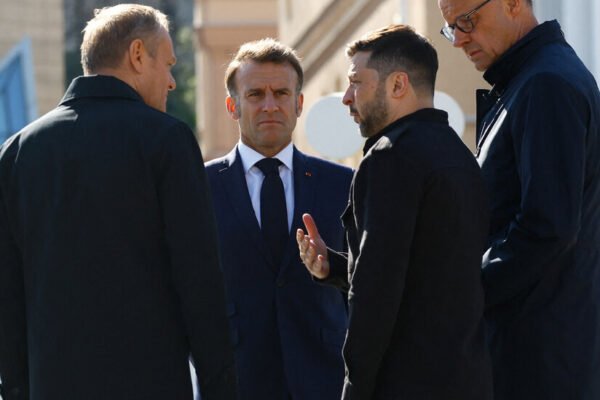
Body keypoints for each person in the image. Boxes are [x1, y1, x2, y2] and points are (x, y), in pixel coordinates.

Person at [0, 4, 236, 400]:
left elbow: (8, 298)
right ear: (138, 55)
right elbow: (199, 282)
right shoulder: (167, 141)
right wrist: (220, 388)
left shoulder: (16, 152)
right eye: (168, 64)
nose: (172, 82)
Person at [297, 24, 492, 399]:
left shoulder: (390, 157)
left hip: (405, 383)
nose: (346, 98)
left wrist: (354, 389)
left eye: (356, 82)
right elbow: (427, 276)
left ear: (398, 84)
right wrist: (334, 267)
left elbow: (377, 291)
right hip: (467, 379)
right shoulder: (459, 155)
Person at [438, 0, 600, 398]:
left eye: (467, 21)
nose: (458, 40)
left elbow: (547, 227)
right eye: (451, 28)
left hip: (541, 360)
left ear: (512, 4)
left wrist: (463, 292)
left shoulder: (546, 83)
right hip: (535, 349)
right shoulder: (528, 81)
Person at [204, 38, 352, 400]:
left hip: (325, 382)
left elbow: (367, 279)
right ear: (233, 106)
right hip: (235, 381)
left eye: (282, 93)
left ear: (299, 103)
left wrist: (331, 266)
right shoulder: (199, 186)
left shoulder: (342, 184)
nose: (270, 105)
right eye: (255, 94)